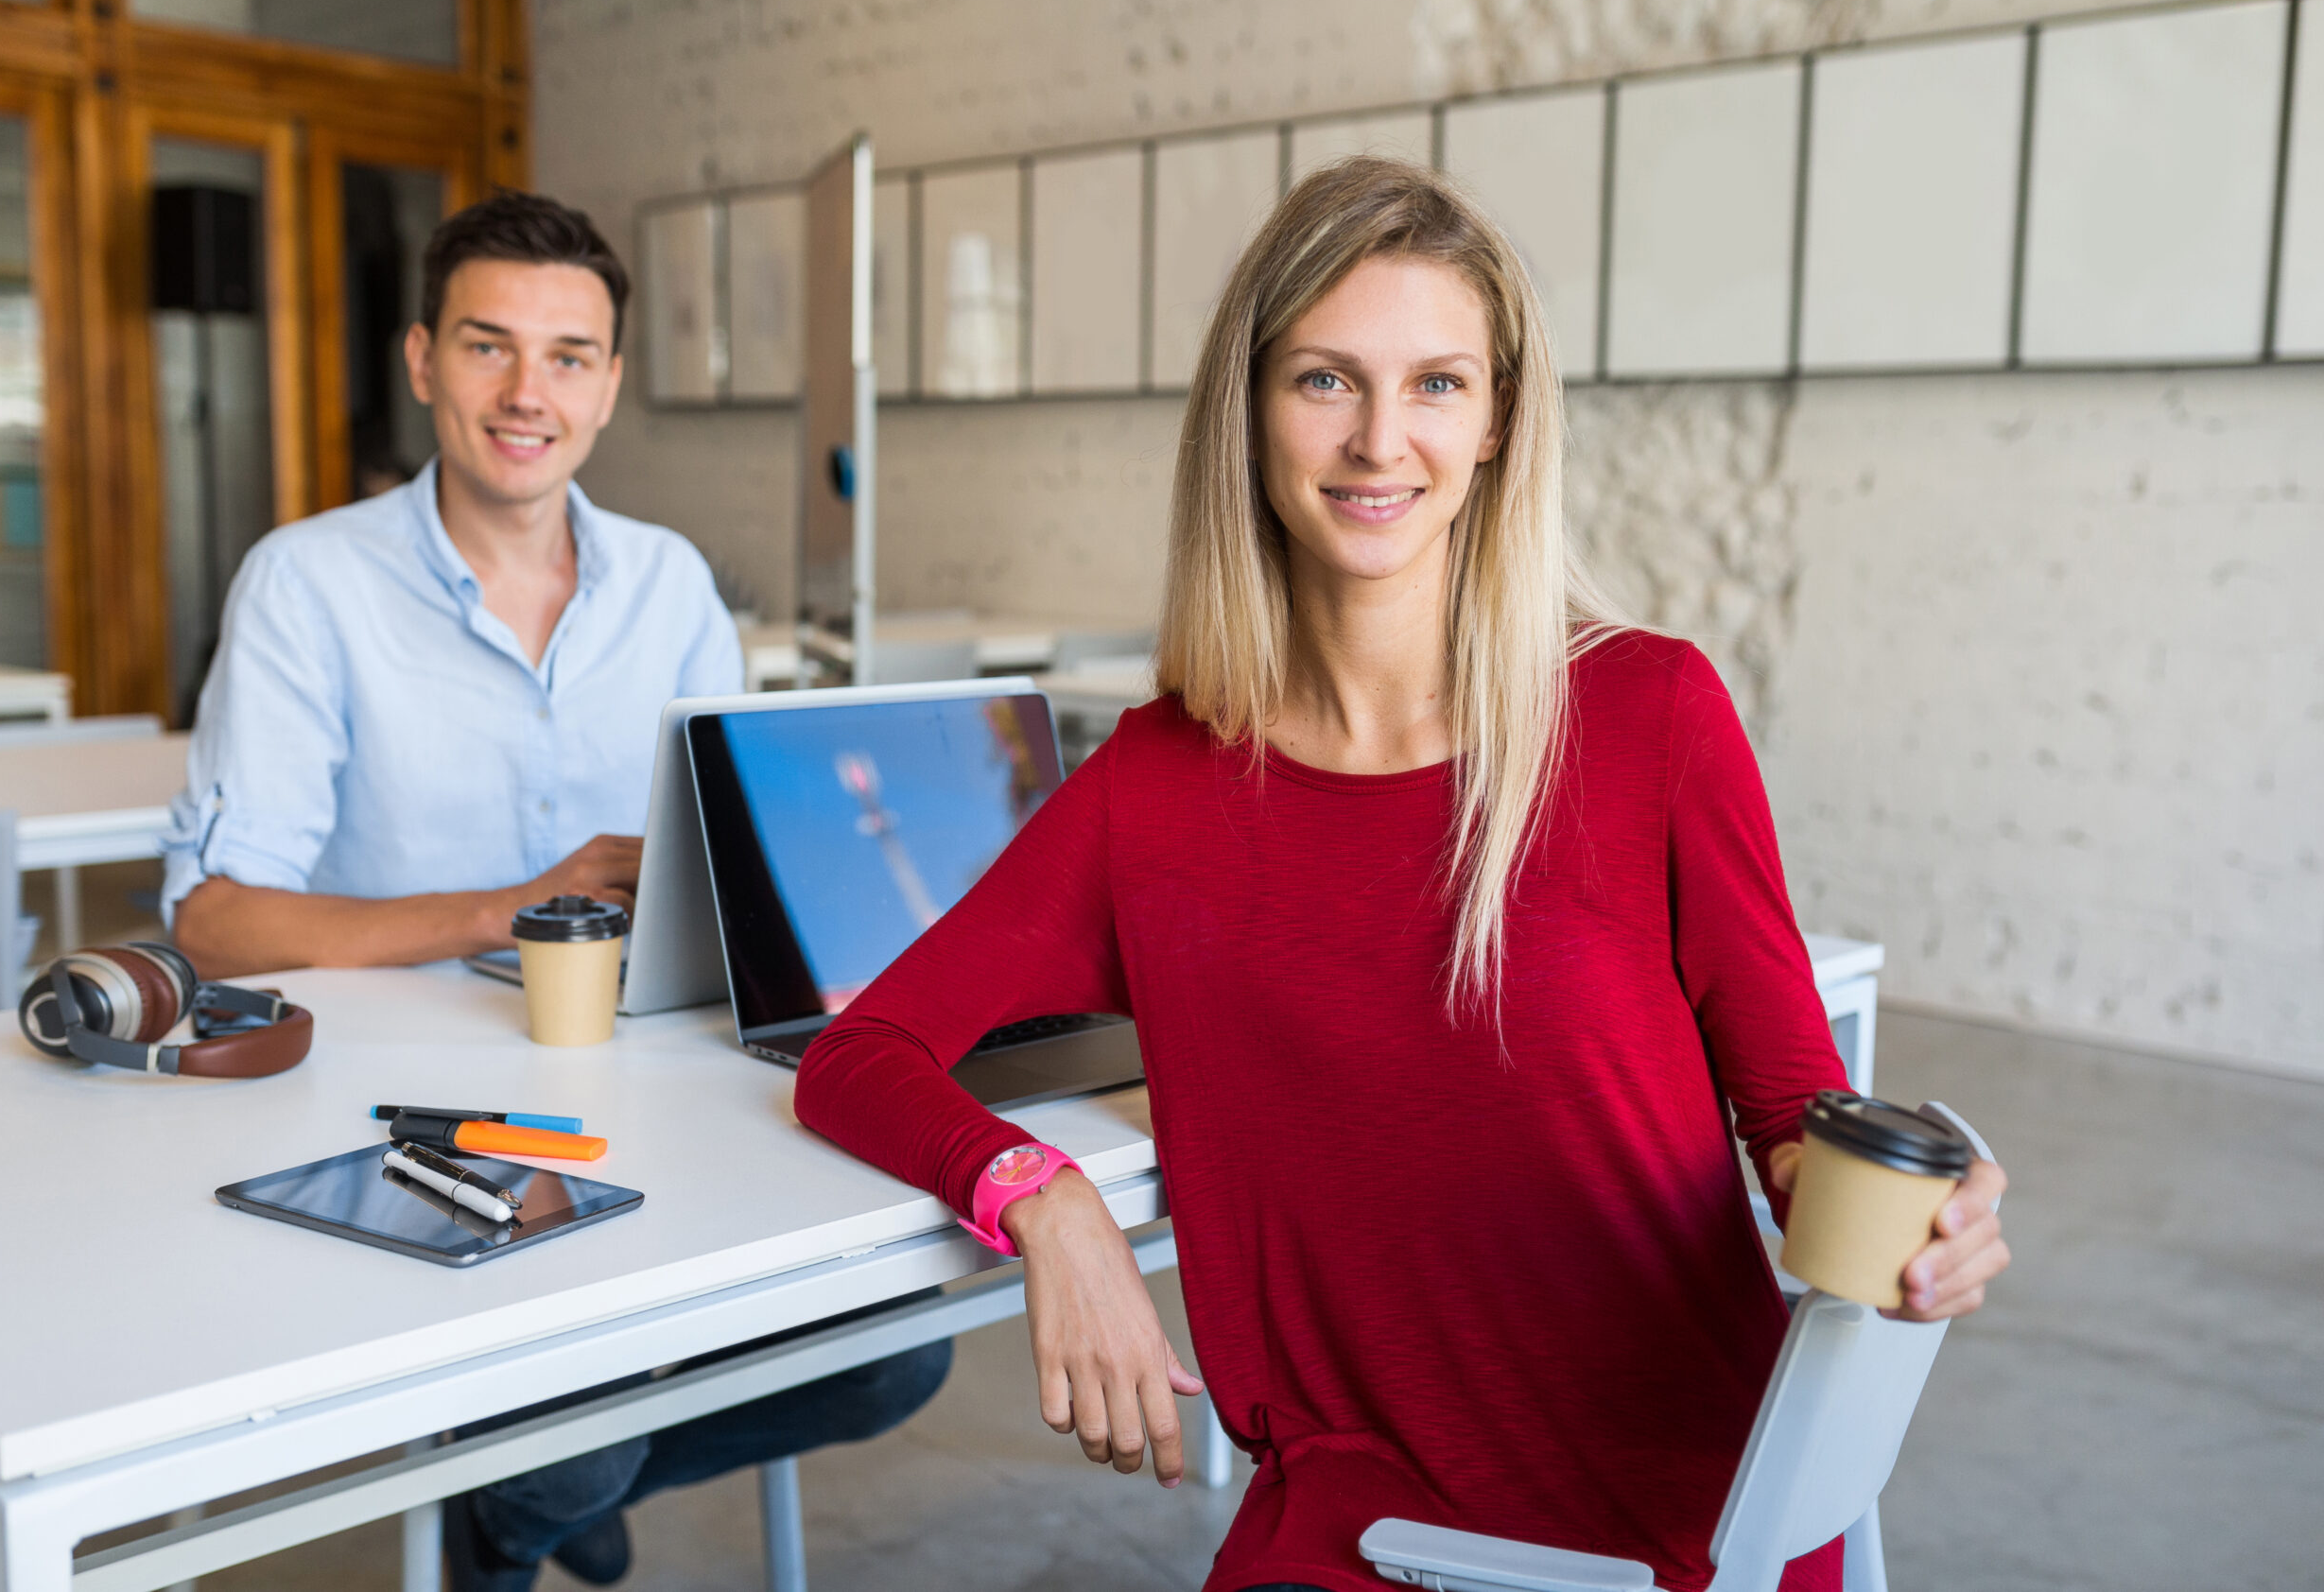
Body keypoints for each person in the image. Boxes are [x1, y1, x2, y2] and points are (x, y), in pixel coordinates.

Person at [794, 156, 2011, 1592]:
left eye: (1437, 383)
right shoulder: (1155, 791)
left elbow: (1794, 1122)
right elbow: (859, 1051)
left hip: (1689, 1533)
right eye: (1325, 380)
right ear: (1249, 413)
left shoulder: (1649, 717)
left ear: (1498, 420)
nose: (1381, 440)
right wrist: (1043, 1201)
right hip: (1363, 1532)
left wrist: (1921, 1225)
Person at [161, 191, 947, 1590]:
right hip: (404, 1116)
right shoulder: (306, 585)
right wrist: (507, 907)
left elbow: (733, 854)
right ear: (421, 361)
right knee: (565, 1439)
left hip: (657, 1088)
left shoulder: (672, 583)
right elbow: (216, 922)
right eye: (487, 347)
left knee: (898, 1352)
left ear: (610, 385)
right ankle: (541, 1504)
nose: (529, 393)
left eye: (569, 356)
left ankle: (520, 1505)